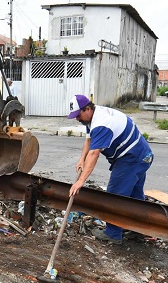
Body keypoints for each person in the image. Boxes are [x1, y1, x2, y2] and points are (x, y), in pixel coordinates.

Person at [66, 94, 154, 243]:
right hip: (141, 155)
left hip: (132, 158)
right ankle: (138, 230)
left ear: (87, 109)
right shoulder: (93, 116)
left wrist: (81, 181)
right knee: (135, 196)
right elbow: (89, 140)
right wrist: (81, 159)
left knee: (114, 195)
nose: (77, 119)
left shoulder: (101, 124)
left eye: (78, 115)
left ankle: (113, 234)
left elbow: (94, 153)